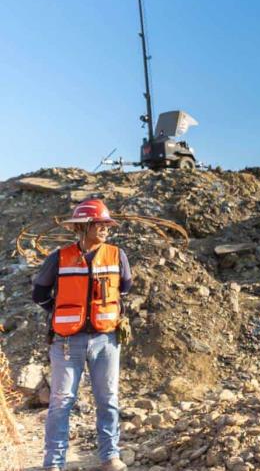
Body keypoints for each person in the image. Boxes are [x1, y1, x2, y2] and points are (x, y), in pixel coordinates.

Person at [32, 199, 131, 471]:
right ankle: (54, 464)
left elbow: (125, 288)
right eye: (100, 224)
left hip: (106, 340)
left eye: (107, 225)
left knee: (108, 398)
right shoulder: (59, 258)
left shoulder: (117, 255)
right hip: (67, 341)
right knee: (61, 402)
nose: (105, 229)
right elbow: (39, 295)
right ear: (84, 226)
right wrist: (63, 312)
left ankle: (110, 457)